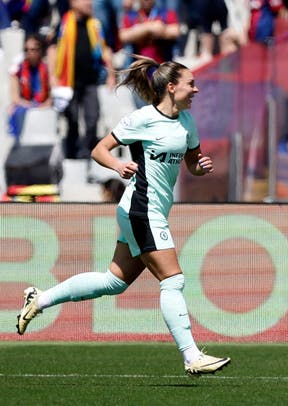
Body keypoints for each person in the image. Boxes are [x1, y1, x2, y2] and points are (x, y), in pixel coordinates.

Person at [16, 55, 231, 376]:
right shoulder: (143, 118)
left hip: (154, 210)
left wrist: (201, 167)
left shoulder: (187, 122)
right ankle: (191, 357)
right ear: (171, 88)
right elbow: (99, 149)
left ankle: (39, 299)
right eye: (191, 84)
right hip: (140, 208)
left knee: (113, 281)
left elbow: (192, 164)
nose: (196, 90)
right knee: (173, 280)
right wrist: (118, 165)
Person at [47, 0, 116, 159]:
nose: (89, 3)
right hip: (68, 82)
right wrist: (53, 76)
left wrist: (111, 74)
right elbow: (52, 48)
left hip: (90, 80)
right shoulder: (63, 25)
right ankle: (72, 155)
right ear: (73, 2)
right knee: (72, 119)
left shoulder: (95, 25)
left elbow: (105, 48)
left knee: (93, 118)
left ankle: (88, 152)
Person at [8, 33, 51, 142]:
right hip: (26, 104)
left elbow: (52, 96)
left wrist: (42, 106)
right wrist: (29, 105)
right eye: (26, 50)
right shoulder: (18, 69)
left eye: (33, 50)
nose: (30, 53)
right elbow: (15, 98)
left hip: (43, 105)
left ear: (40, 51)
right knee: (12, 110)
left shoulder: (48, 68)